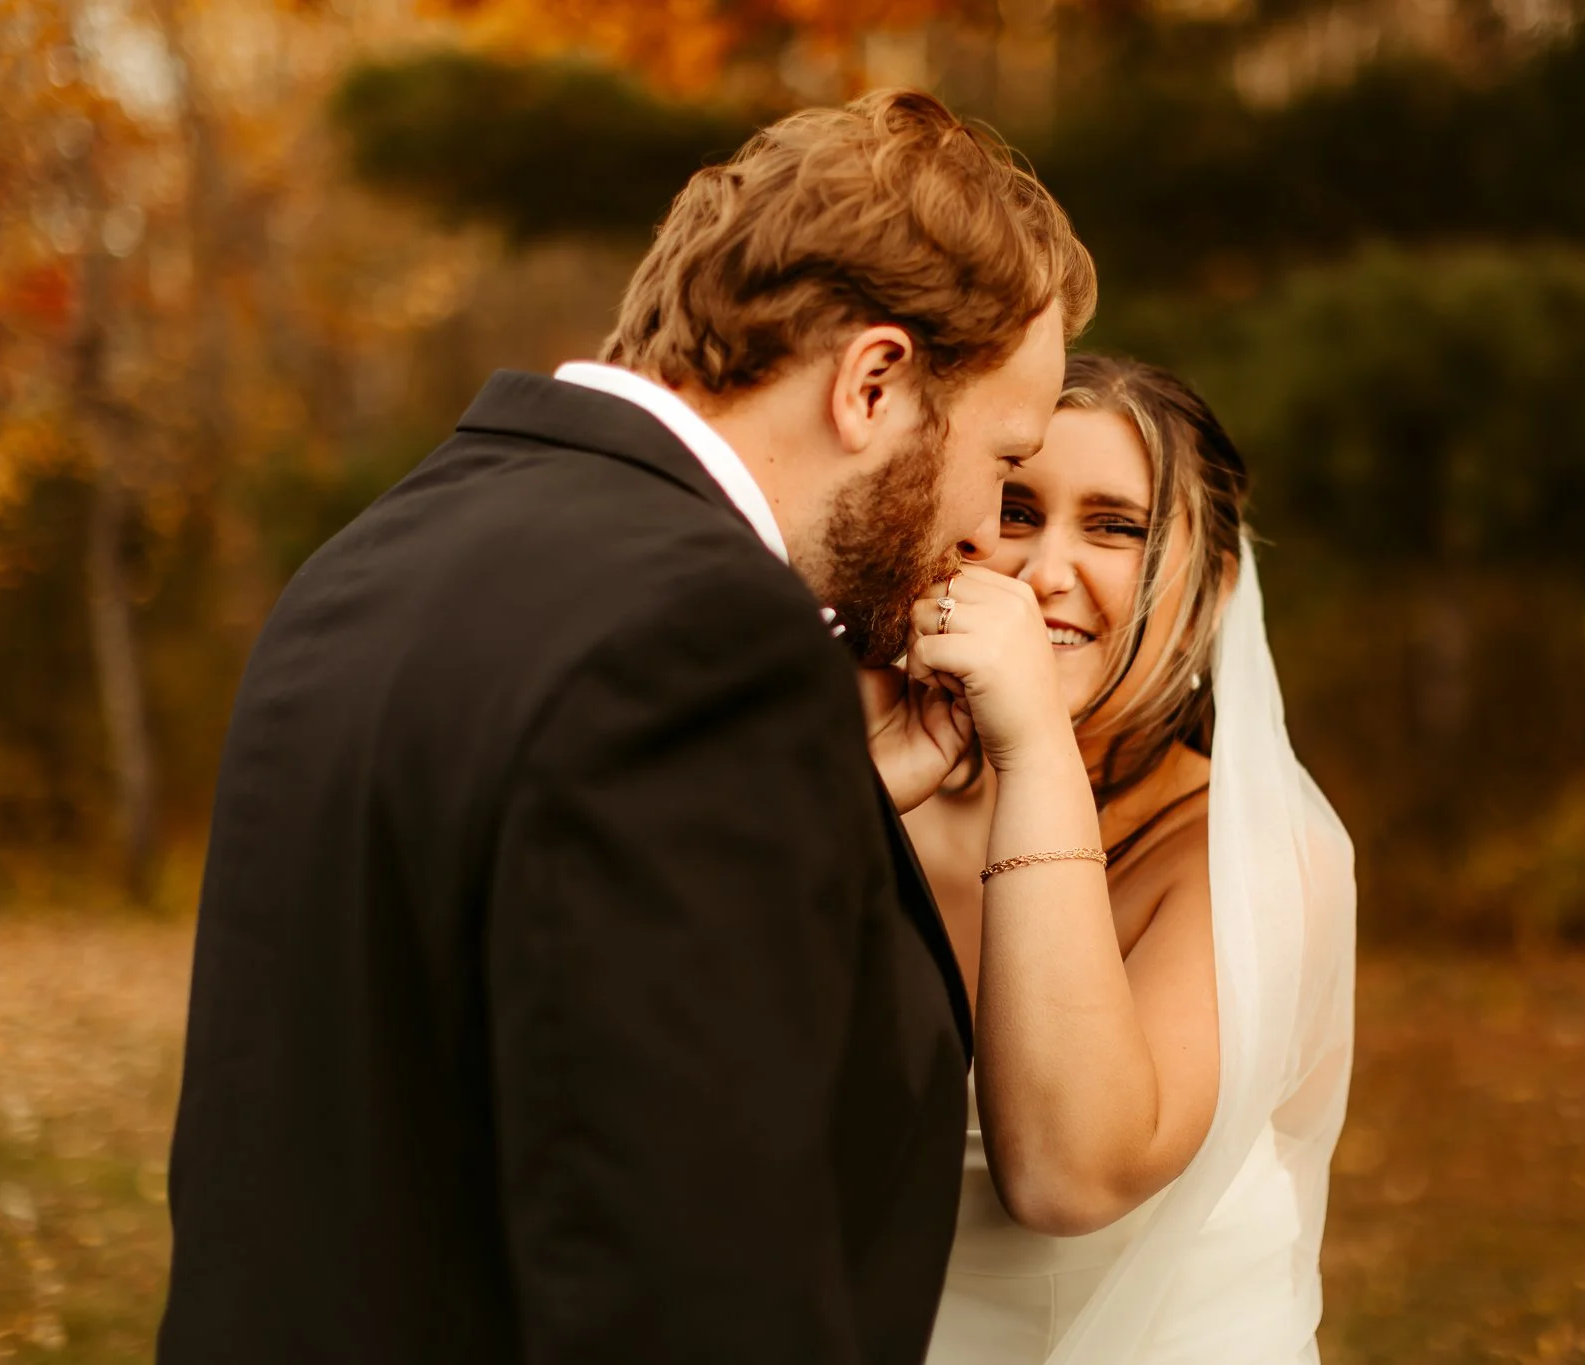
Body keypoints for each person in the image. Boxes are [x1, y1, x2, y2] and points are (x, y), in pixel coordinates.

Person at [158, 90, 1095, 1365]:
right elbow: (690, 1276)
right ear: (874, 381)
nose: (989, 534)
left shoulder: (376, 555)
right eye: (1003, 461)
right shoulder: (707, 636)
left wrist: (834, 807)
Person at [876, 355, 1356, 1364]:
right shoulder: (875, 791)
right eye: (1014, 510)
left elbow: (1068, 1176)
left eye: (1112, 527)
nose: (1044, 570)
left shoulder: (1261, 861)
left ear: (1214, 589)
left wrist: (1032, 745)